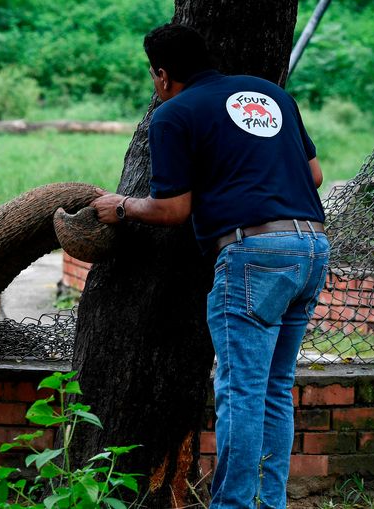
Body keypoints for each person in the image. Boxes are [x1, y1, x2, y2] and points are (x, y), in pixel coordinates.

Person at [91, 23, 330, 509]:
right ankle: (269, 502)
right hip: (312, 248)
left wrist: (121, 206)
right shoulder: (269, 95)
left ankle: (234, 506)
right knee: (275, 388)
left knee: (241, 390)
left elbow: (172, 210)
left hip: (252, 255)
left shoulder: (173, 114)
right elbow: (316, 174)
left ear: (161, 75)